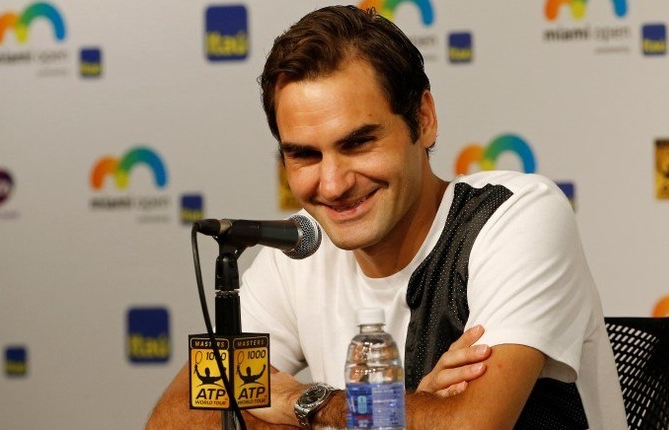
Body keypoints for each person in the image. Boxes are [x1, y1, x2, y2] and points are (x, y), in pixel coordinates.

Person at [147, 5, 627, 429]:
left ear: (423, 118)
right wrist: (408, 409)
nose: (332, 185)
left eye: (358, 143)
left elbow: (470, 425)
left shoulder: (513, 217)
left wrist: (305, 402)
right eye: (304, 155)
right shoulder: (294, 251)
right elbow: (175, 420)